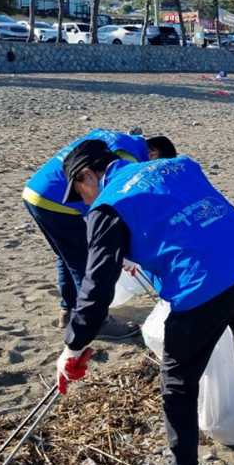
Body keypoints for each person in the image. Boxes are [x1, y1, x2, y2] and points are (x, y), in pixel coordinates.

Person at [57, 140, 234, 465]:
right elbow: (189, 219)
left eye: (79, 190)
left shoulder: (106, 207)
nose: (82, 200)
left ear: (87, 175)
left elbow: (96, 290)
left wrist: (73, 347)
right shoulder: (179, 165)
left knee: (177, 384)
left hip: (200, 288)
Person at [23, 129, 173, 336]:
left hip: (35, 192)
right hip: (58, 199)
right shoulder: (127, 158)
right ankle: (97, 322)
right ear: (153, 153)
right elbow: (117, 201)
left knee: (67, 256)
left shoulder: (117, 138)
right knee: (85, 263)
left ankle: (68, 311)